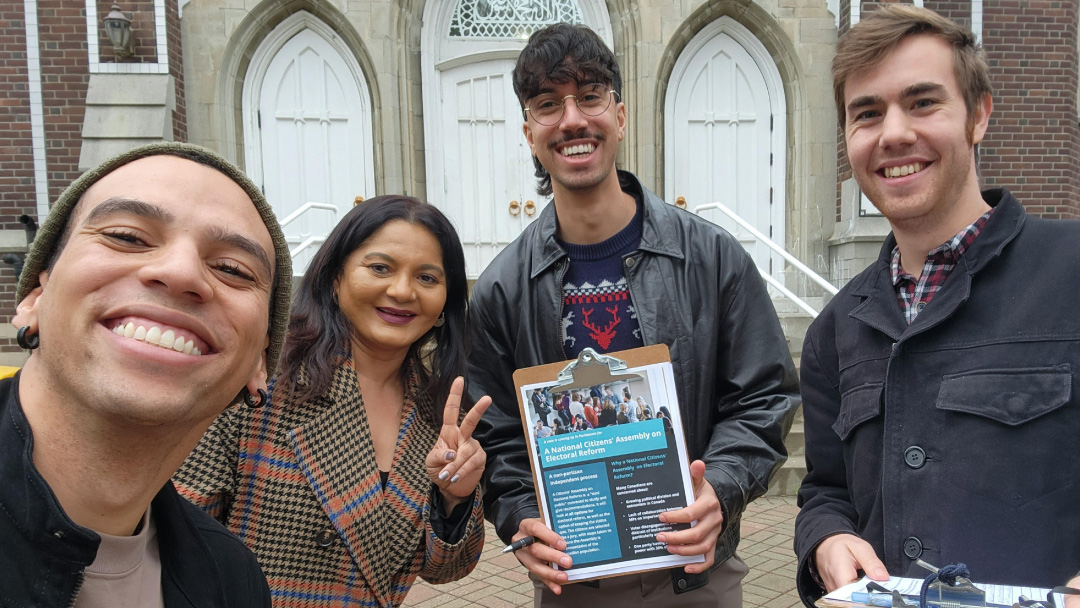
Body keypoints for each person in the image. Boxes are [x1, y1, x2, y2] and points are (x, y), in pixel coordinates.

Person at [467, 23, 798, 606]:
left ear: (619, 114)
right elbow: (498, 439)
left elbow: (762, 396)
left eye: (590, 96)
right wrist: (521, 518)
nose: (572, 119)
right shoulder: (501, 290)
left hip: (696, 575)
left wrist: (720, 490)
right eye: (548, 104)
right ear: (529, 132)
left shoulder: (712, 257)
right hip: (576, 581)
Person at [794, 6, 1080, 605]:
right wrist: (827, 540)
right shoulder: (833, 332)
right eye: (867, 113)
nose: (893, 133)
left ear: (978, 115)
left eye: (923, 103)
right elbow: (825, 490)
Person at [0, 142, 295, 605]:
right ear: (35, 299)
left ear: (260, 363)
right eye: (127, 236)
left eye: (232, 269)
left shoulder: (233, 579)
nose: (180, 272)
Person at [175, 196, 491, 607]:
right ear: (336, 277)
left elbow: (445, 568)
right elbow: (174, 539)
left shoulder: (441, 413)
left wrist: (456, 498)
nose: (401, 290)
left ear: (445, 303)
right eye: (380, 268)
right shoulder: (258, 384)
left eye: (427, 278)